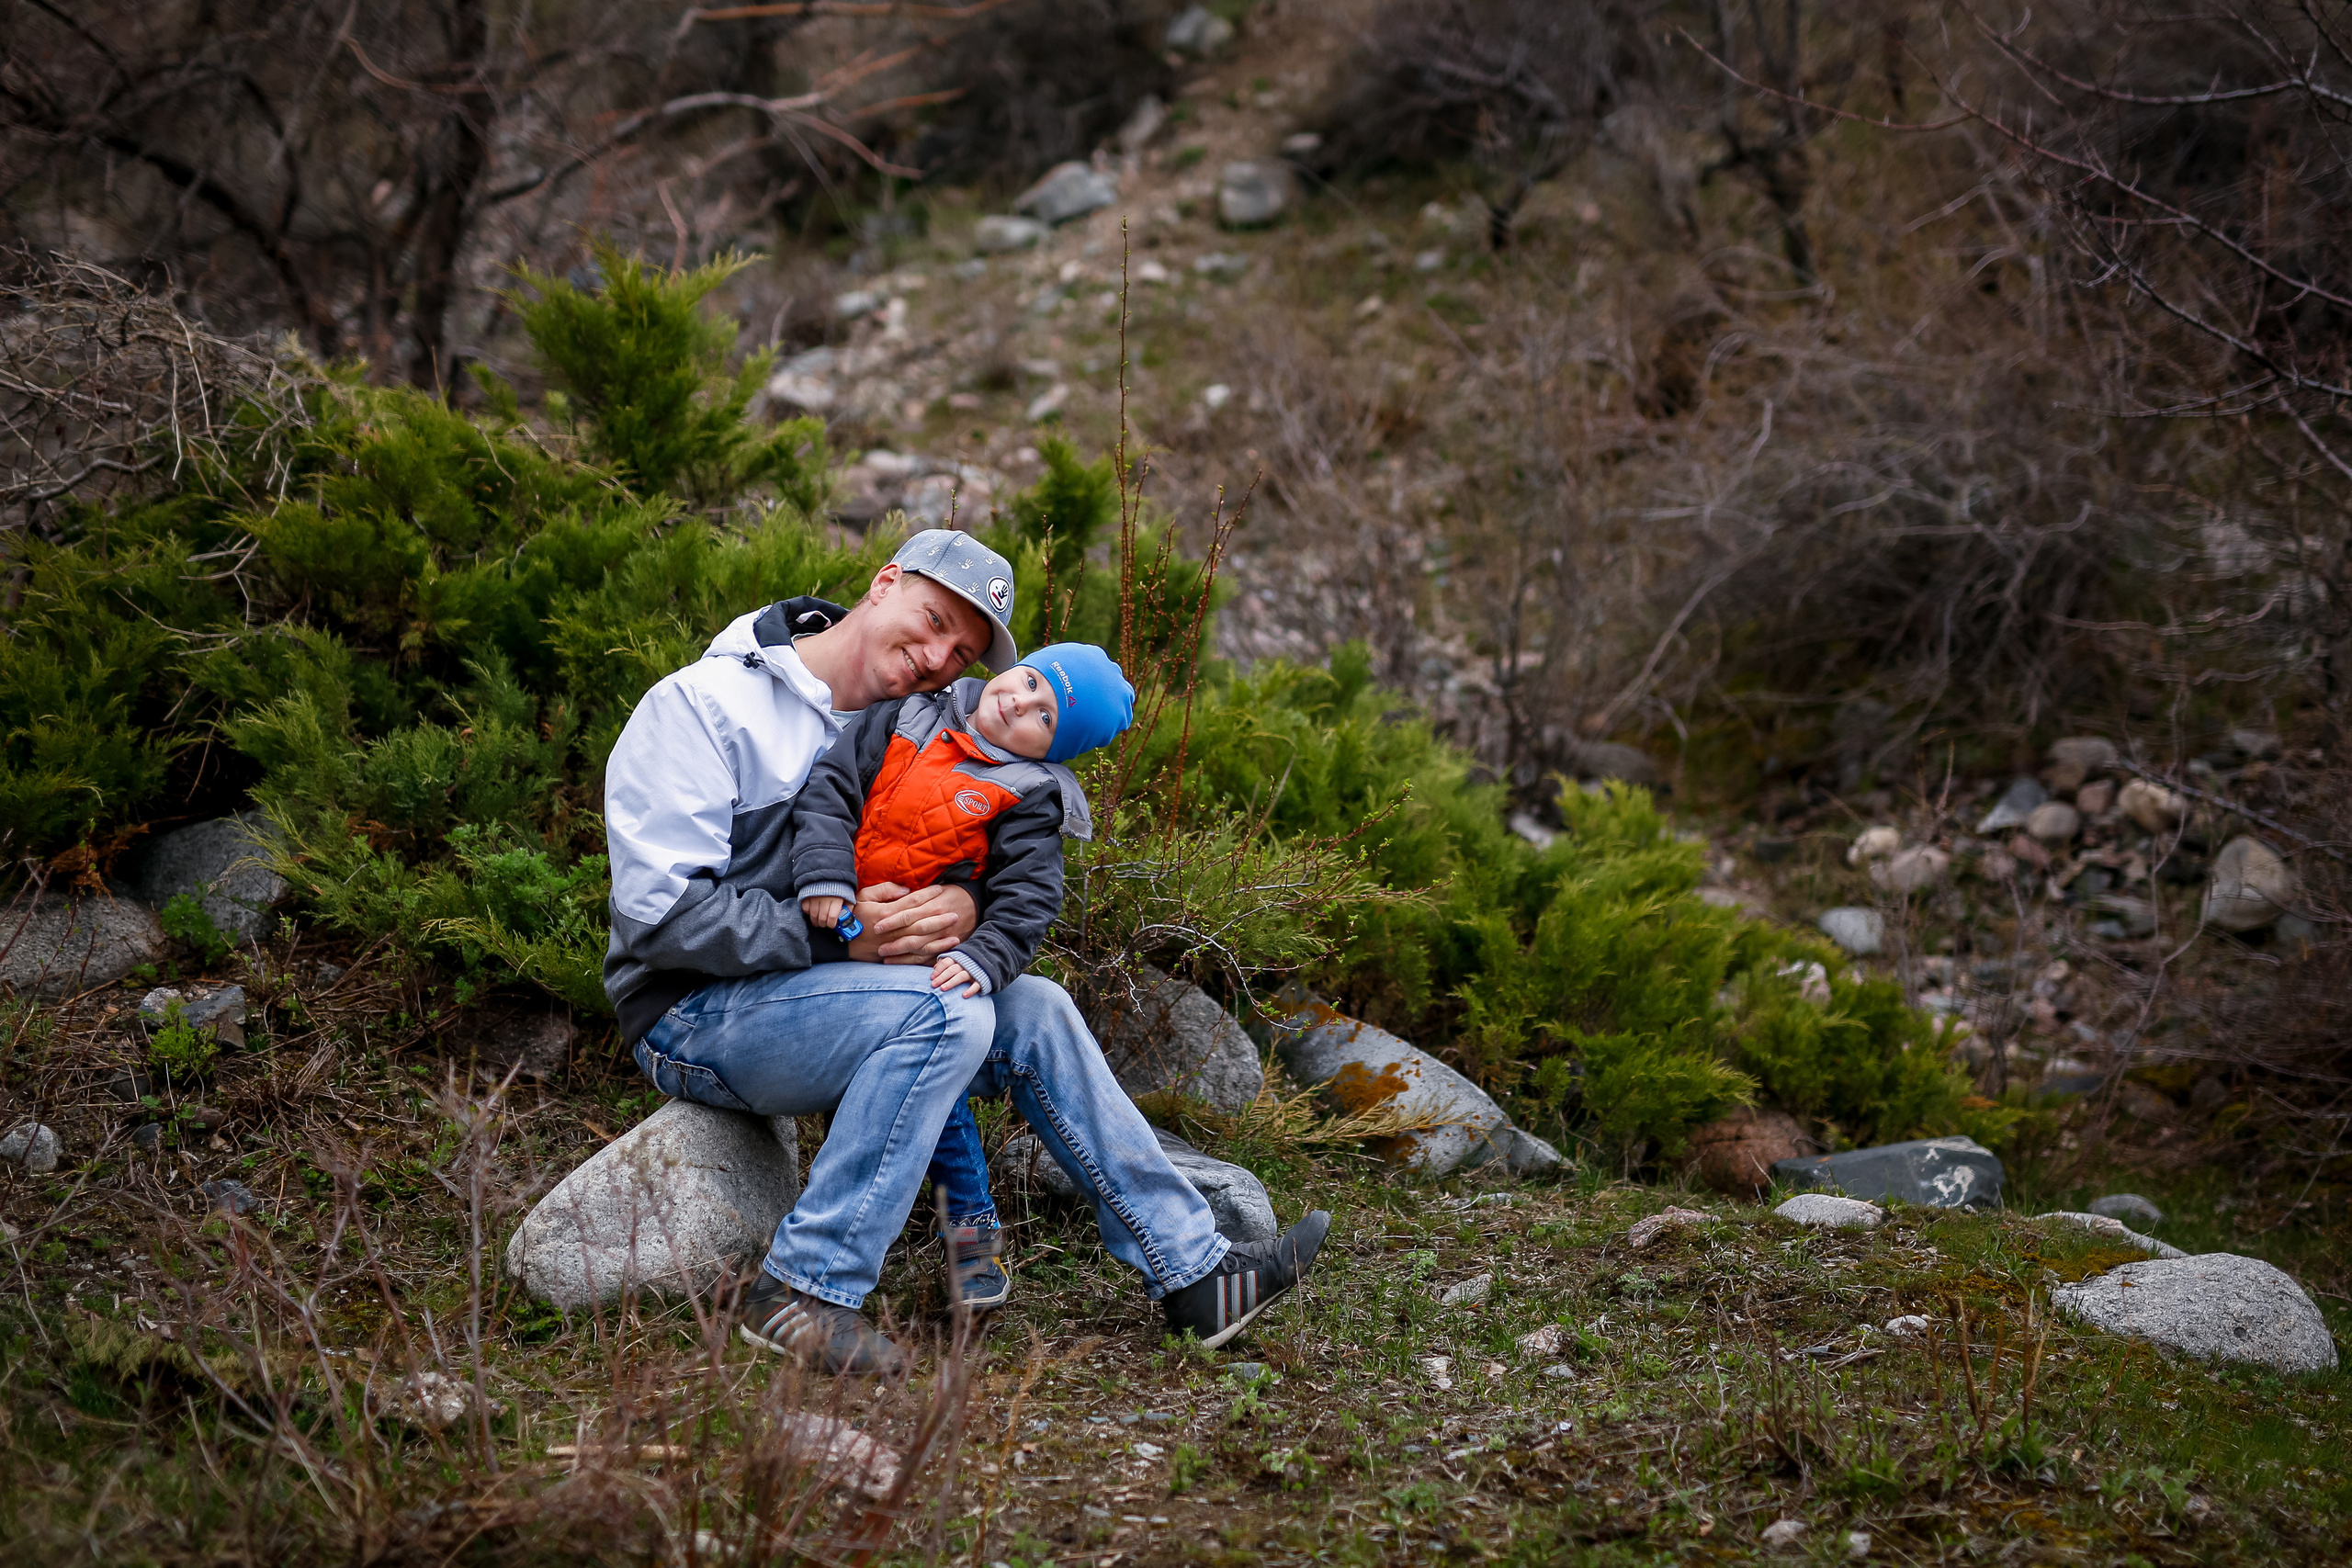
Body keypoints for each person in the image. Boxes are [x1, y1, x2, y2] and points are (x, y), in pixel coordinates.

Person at [602, 528, 1329, 1376]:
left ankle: (1195, 1272)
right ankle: (805, 1286)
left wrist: (969, 905)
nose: (940, 657)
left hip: (839, 993)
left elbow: (974, 861)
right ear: (884, 582)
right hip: (695, 1013)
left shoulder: (925, 721)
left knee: (1040, 1009)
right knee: (944, 1012)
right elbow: (658, 918)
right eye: (935, 619)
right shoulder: (705, 706)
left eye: (963, 652)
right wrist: (839, 932)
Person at [791, 638, 1138, 1313]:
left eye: (1045, 716)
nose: (1020, 702)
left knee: (936, 1093)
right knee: (904, 1091)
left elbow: (1028, 899)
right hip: (837, 936)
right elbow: (831, 789)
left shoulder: (1028, 794)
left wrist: (982, 957)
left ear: (1055, 752)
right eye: (1031, 681)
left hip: (921, 963)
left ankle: (970, 1242)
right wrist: (826, 875)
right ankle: (861, 1243)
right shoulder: (908, 716)